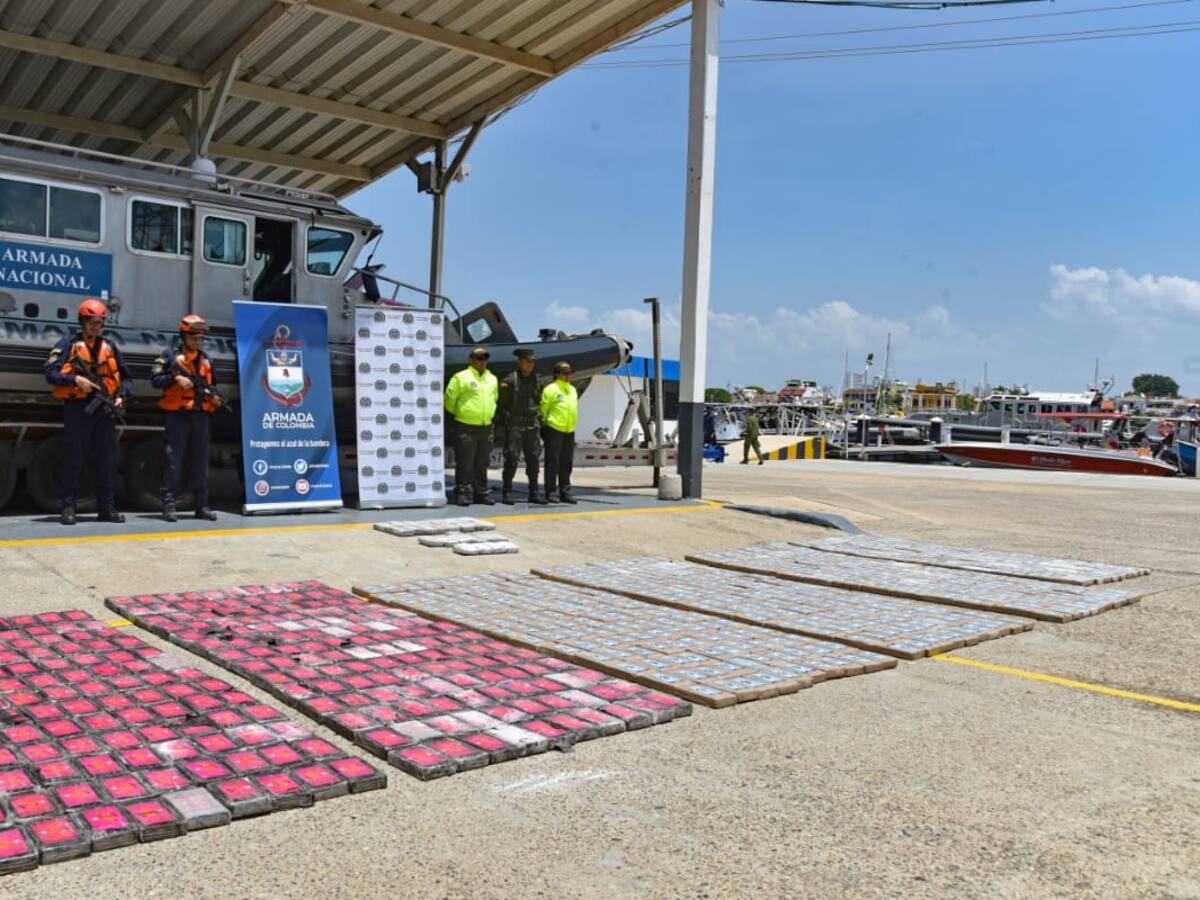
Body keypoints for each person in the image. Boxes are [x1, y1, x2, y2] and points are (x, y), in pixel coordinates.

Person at [43, 298, 131, 525]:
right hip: (78, 409)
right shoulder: (67, 344)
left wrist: (121, 396)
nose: (95, 326)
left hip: (105, 410)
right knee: (74, 458)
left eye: (99, 322)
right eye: (91, 322)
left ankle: (107, 508)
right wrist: (75, 380)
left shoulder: (110, 347)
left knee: (106, 460)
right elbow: (50, 373)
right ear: (82, 321)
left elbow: (126, 377)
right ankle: (68, 507)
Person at [150, 315, 222, 522]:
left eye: (200, 338)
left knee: (200, 462)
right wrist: (175, 378)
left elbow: (213, 384)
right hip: (178, 415)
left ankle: (202, 506)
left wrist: (215, 397)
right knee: (173, 460)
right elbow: (155, 379)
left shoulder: (206, 360)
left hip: (200, 416)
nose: (197, 342)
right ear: (183, 336)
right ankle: (168, 504)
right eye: (193, 338)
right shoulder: (170, 358)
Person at [444, 346, 499, 506]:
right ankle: (462, 493)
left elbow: (494, 399)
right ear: (471, 360)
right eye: (479, 358)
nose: (482, 361)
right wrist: (464, 413)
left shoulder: (492, 379)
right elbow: (449, 401)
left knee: (482, 463)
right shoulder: (460, 377)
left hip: (486, 427)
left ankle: (481, 493)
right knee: (465, 463)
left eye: (484, 358)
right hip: (466, 426)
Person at [496, 347, 547, 505]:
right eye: (527, 361)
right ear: (520, 362)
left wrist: (538, 417)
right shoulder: (510, 380)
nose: (530, 365)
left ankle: (534, 493)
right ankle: (507, 492)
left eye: (532, 362)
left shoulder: (537, 380)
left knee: (534, 460)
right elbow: (501, 404)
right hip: (515, 425)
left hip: (532, 425)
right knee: (512, 459)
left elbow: (538, 400)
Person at [540, 361, 579, 504]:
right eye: (565, 373)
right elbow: (543, 411)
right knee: (552, 463)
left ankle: (565, 492)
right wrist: (544, 430)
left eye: (569, 373)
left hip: (569, 431)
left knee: (566, 463)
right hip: (554, 429)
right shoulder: (550, 389)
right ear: (556, 374)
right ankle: (550, 492)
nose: (568, 376)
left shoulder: (573, 390)